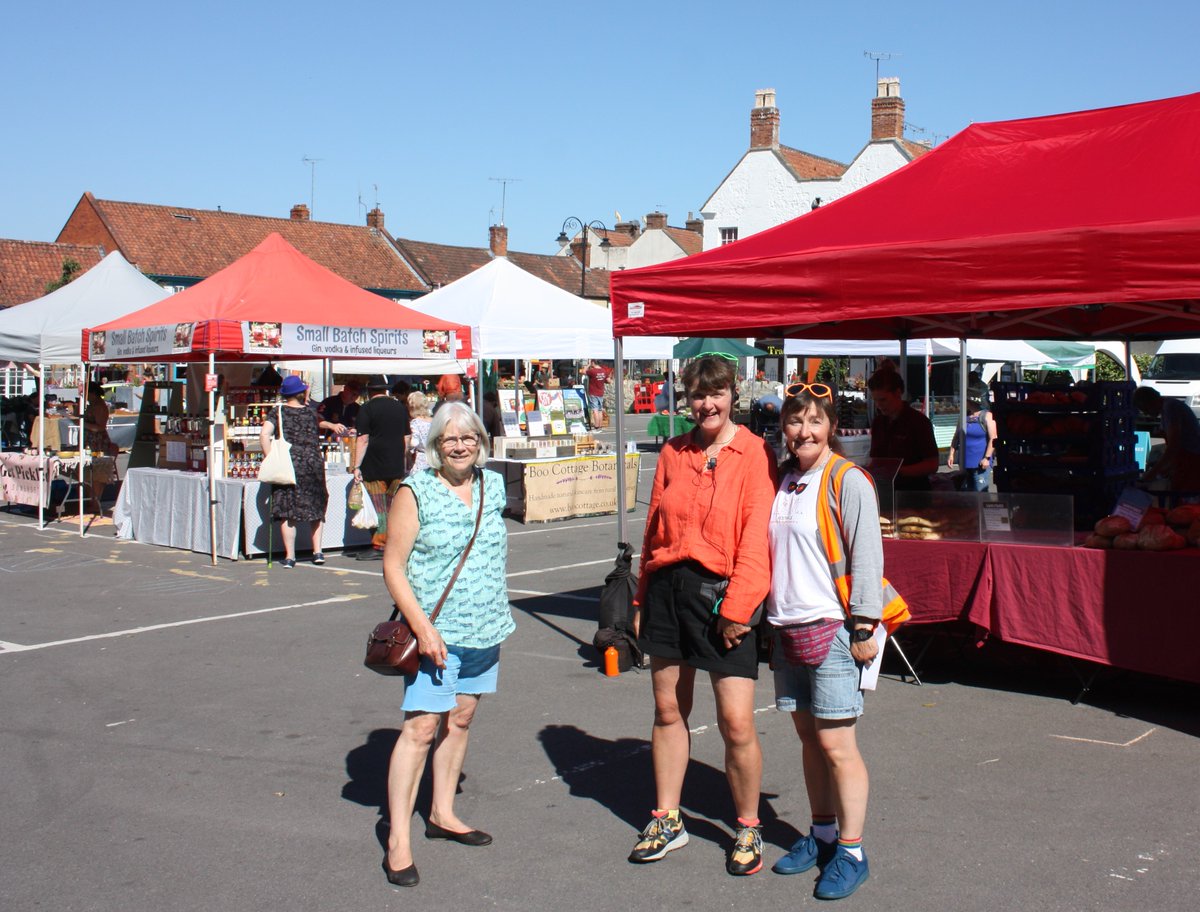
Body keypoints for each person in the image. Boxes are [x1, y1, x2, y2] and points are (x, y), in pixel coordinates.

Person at [630, 355, 778, 876]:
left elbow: (758, 538)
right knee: (669, 711)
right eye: (697, 394)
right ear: (685, 398)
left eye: (715, 393)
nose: (707, 404)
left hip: (723, 596)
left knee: (736, 722)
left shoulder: (755, 453)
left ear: (733, 393)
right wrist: (642, 601)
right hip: (669, 591)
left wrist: (739, 609)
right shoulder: (673, 451)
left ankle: (747, 825)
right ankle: (668, 819)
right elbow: (652, 530)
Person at [767, 384, 907, 900]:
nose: (803, 432)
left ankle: (851, 850)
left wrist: (866, 626)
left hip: (834, 628)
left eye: (813, 422)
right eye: (794, 422)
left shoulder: (847, 480)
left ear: (831, 428)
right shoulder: (786, 479)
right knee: (809, 740)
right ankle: (821, 834)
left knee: (837, 744)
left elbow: (868, 555)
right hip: (787, 627)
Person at [380, 401, 514, 888]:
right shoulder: (415, 491)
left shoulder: (492, 485)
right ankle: (398, 838)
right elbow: (393, 565)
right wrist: (423, 629)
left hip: (486, 626)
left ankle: (442, 812)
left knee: (461, 718)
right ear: (435, 445)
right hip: (435, 634)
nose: (459, 446)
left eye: (468, 437)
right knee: (420, 730)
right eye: (449, 439)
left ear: (480, 441)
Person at [260, 375, 328, 569]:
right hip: (313, 462)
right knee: (315, 507)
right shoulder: (310, 412)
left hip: (289, 463)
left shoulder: (278, 411)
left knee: (288, 510)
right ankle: (318, 551)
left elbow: (264, 434)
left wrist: (269, 456)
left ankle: (290, 556)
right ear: (300, 393)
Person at [353, 376, 411, 560]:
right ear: (385, 390)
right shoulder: (400, 408)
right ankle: (395, 543)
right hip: (395, 464)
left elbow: (363, 439)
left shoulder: (367, 408)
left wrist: (356, 466)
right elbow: (407, 438)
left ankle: (380, 545)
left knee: (378, 506)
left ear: (370, 391)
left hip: (374, 463)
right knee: (392, 506)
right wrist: (403, 459)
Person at [866, 362, 939, 491]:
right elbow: (875, 459)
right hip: (885, 491)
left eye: (883, 400)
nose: (878, 405)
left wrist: (899, 471)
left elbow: (932, 464)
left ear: (898, 393)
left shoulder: (919, 422)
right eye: (875, 400)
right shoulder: (878, 422)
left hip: (914, 494)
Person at [1134, 386, 1200, 490]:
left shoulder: (1170, 408)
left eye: (1145, 409)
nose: (1146, 413)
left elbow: (1174, 445)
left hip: (1192, 461)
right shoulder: (1167, 409)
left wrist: (1153, 473)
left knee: (1187, 499)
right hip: (1184, 461)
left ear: (1151, 401)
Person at [947, 400, 997, 492]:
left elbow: (993, 438)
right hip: (964, 463)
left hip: (980, 465)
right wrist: (951, 454)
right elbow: (956, 437)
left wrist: (987, 458)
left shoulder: (987, 416)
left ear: (970, 402)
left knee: (980, 493)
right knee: (967, 494)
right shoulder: (963, 417)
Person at [407, 391, 433, 476]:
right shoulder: (434, 421)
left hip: (422, 459)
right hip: (435, 458)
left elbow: (415, 442)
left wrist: (408, 450)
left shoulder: (415, 423)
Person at [584, 359, 610, 425]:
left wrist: (588, 365)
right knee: (600, 410)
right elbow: (609, 381)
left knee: (595, 410)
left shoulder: (592, 371)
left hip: (593, 393)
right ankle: (600, 425)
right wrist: (602, 379)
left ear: (593, 362)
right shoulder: (604, 371)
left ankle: (597, 426)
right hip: (600, 392)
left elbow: (583, 371)